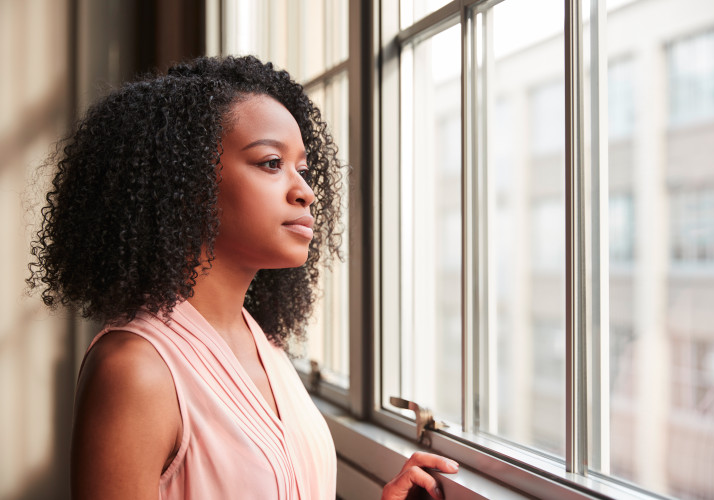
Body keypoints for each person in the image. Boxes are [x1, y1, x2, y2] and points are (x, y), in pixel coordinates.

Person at [28, 55, 458, 499]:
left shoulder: (262, 343)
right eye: (272, 163)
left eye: (303, 170)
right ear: (189, 181)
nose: (305, 191)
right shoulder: (136, 371)